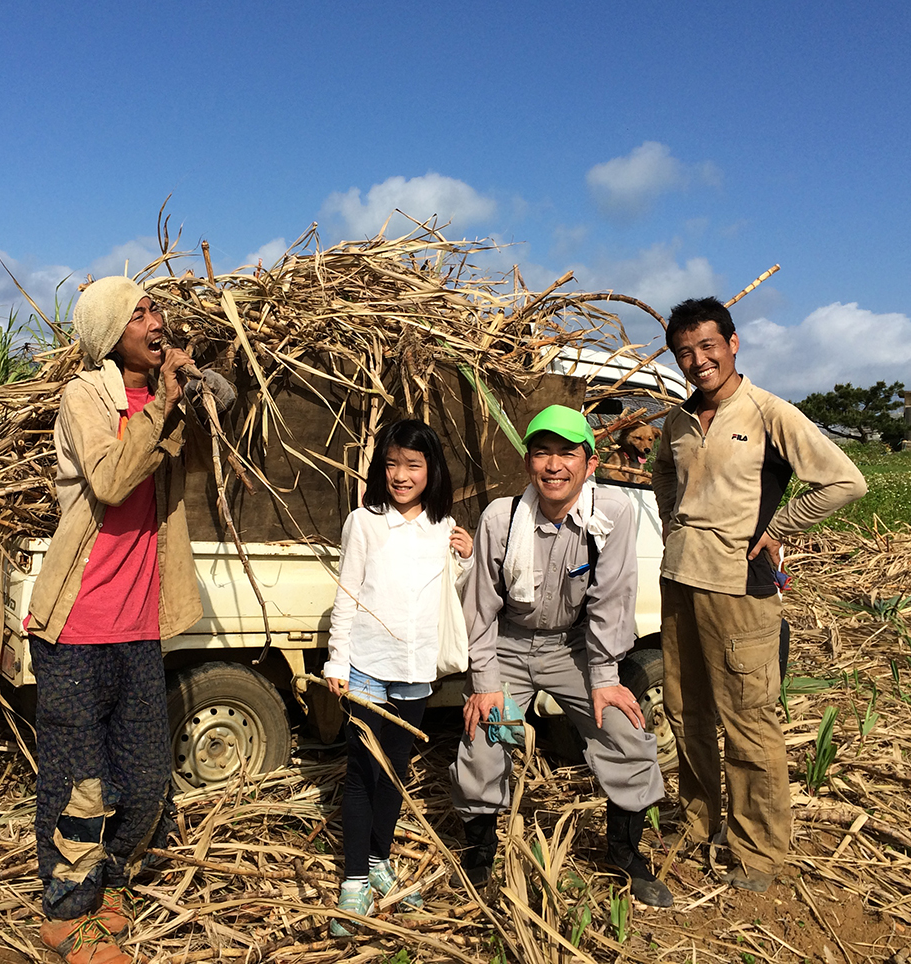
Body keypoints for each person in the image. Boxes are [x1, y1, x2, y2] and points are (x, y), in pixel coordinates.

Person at [25, 276, 234, 964]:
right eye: (139, 311)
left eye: (155, 307)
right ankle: (66, 914)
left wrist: (197, 388)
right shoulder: (86, 395)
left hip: (139, 625)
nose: (156, 318)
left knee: (144, 782)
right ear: (110, 333)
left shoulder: (165, 401)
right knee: (79, 784)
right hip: (78, 625)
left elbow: (204, 460)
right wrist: (168, 402)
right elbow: (112, 479)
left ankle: (109, 877)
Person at [652, 296, 867, 893]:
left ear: (733, 343)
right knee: (685, 710)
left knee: (748, 719)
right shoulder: (677, 421)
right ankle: (698, 823)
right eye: (684, 352)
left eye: (707, 347)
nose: (697, 361)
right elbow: (663, 476)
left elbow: (847, 481)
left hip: (739, 589)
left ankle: (760, 849)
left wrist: (778, 527)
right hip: (679, 581)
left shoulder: (770, 413)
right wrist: (675, 522)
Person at [450, 404, 672, 908]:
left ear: (589, 463)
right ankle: (482, 852)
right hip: (507, 648)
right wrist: (485, 683)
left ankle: (625, 855)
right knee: (488, 735)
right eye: (542, 453)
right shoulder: (501, 518)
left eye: (566, 453)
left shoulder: (611, 516)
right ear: (528, 463)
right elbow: (481, 607)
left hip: (573, 649)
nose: (554, 465)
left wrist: (605, 679)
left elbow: (611, 601)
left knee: (625, 733)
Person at [323, 419, 473, 936]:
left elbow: (451, 598)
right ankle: (354, 877)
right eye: (392, 464)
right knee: (363, 770)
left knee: (394, 772)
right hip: (366, 667)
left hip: (414, 672)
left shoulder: (442, 527)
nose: (401, 475)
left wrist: (467, 557)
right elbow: (348, 595)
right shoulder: (364, 521)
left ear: (432, 470)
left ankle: (381, 861)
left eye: (413, 465)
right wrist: (337, 661)